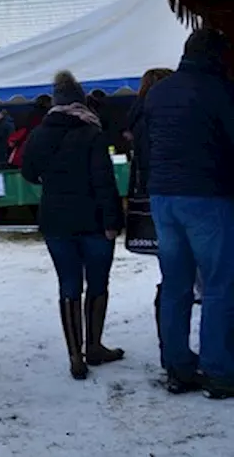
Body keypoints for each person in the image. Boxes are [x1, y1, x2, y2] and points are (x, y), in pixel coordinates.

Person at [143, 28, 234, 398]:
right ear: (215, 56)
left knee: (175, 285)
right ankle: (219, 371)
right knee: (219, 285)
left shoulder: (158, 92)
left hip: (163, 197)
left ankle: (178, 368)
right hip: (207, 197)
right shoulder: (218, 90)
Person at [20, 71, 125, 381]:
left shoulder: (39, 134)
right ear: (80, 101)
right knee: (97, 283)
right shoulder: (92, 132)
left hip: (56, 220)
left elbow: (27, 171)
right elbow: (103, 181)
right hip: (93, 220)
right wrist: (112, 221)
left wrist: (47, 179)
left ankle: (74, 355)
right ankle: (93, 345)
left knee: (68, 286)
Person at [125, 67, 174, 357]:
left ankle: (169, 349)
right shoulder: (154, 119)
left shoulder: (138, 115)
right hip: (173, 193)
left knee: (171, 276)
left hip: (154, 195)